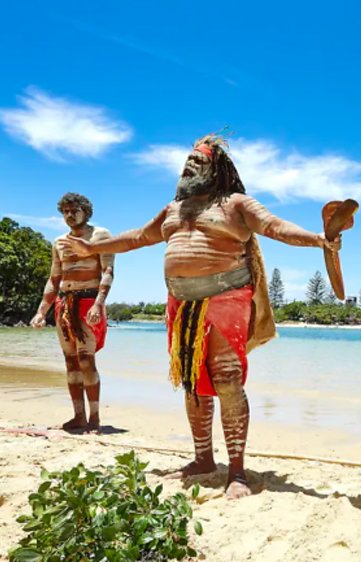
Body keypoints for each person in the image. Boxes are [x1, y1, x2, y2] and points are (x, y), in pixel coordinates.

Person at [63, 132, 342, 499]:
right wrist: (93, 246)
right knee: (193, 381)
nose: (190, 163)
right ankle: (203, 459)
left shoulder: (235, 203)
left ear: (216, 169)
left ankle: (238, 472)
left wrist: (319, 239)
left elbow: (276, 227)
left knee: (228, 379)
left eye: (200, 159)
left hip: (227, 299)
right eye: (188, 159)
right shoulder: (172, 209)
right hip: (182, 307)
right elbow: (135, 238)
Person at [31, 192, 114, 434]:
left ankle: (95, 418)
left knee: (86, 360)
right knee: (71, 362)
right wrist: (41, 312)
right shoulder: (58, 242)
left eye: (73, 210)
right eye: (65, 211)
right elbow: (54, 279)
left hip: (88, 301)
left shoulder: (101, 236)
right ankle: (78, 416)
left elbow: (108, 271)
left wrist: (99, 303)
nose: (69, 215)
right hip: (64, 304)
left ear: (86, 211)